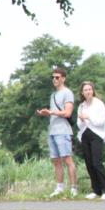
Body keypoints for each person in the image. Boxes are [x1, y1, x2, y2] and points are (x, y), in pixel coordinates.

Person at [35, 67, 78, 197]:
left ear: (63, 78)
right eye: (53, 77)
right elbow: (54, 113)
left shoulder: (67, 93)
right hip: (52, 130)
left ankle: (74, 188)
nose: (54, 79)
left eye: (57, 77)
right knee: (56, 161)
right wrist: (46, 113)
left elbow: (68, 112)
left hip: (63, 130)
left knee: (67, 159)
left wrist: (52, 112)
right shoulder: (53, 95)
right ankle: (59, 187)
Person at [76, 82, 105, 200]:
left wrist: (88, 117)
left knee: (97, 162)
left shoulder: (99, 104)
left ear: (93, 91)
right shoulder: (81, 106)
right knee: (89, 163)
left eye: (90, 89)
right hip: (85, 134)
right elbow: (79, 124)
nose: (88, 92)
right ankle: (96, 189)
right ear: (82, 92)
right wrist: (82, 120)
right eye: (85, 90)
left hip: (97, 134)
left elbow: (101, 122)